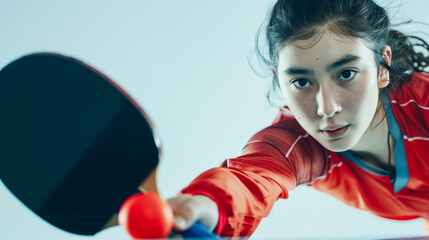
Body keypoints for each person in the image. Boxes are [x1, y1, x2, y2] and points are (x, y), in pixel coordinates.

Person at [168, 0, 429, 237]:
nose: (326, 108)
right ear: (279, 82)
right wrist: (205, 204)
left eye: (346, 73)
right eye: (302, 81)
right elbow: (251, 179)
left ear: (382, 68)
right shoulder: (296, 141)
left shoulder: (423, 106)